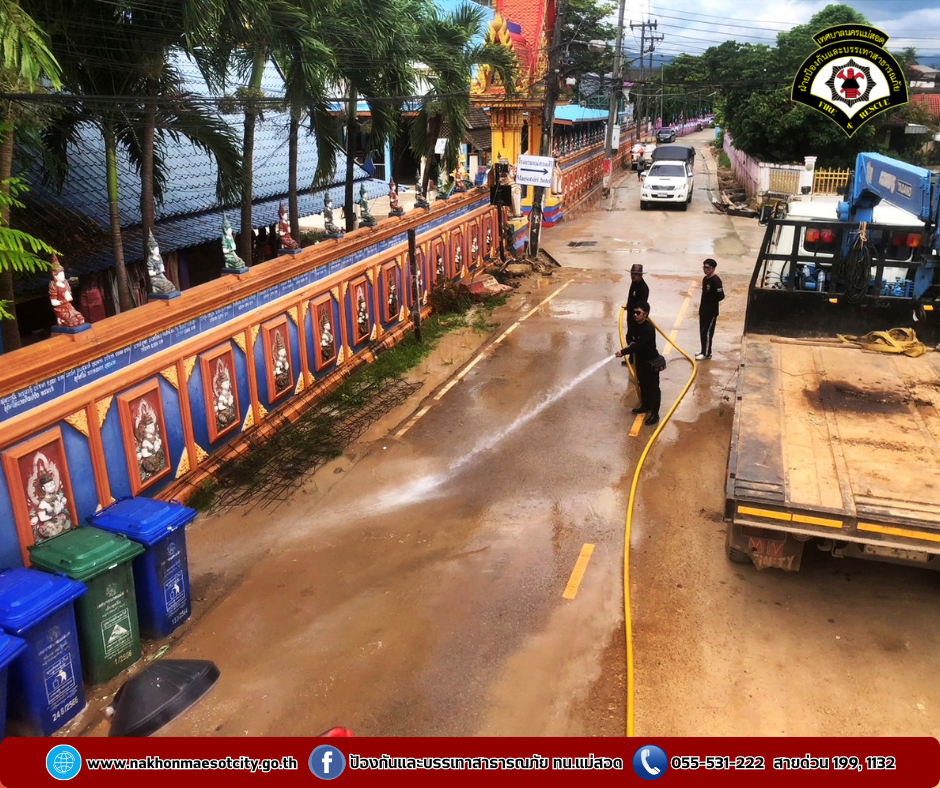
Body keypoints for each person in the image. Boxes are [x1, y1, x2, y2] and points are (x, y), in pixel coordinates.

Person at [615, 302, 661, 426]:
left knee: (653, 388)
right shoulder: (634, 325)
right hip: (640, 361)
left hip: (650, 361)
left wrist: (623, 352)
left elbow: (639, 345)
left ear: (645, 314)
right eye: (634, 312)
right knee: (642, 384)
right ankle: (645, 405)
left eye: (638, 313)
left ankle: (655, 414)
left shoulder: (648, 328)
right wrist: (630, 342)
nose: (635, 315)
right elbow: (629, 337)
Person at [622, 263, 650, 364]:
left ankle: (636, 358)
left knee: (636, 338)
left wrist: (637, 315)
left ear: (640, 275)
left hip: (637, 317)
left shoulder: (643, 288)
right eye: (632, 274)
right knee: (630, 336)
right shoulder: (634, 283)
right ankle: (632, 357)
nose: (633, 276)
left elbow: (641, 306)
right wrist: (628, 306)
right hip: (631, 316)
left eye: (635, 274)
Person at [697, 258, 725, 360]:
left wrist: (711, 303)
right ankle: (703, 350)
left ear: (713, 269)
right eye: (704, 267)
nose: (706, 270)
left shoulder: (716, 281)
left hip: (711, 312)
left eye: (708, 268)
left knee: (707, 333)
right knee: (702, 332)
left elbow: (721, 296)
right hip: (703, 311)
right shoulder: (705, 279)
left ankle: (707, 354)